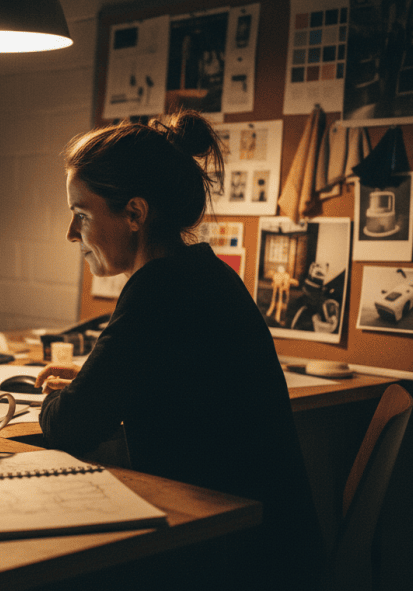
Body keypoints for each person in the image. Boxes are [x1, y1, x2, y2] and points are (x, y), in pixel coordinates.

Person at [37, 110, 325, 589]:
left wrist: (54, 397)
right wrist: (92, 387)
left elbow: (71, 425)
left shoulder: (158, 291)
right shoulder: (205, 272)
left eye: (81, 215)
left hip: (233, 560)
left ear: (134, 213)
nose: (71, 233)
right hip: (271, 542)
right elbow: (161, 383)